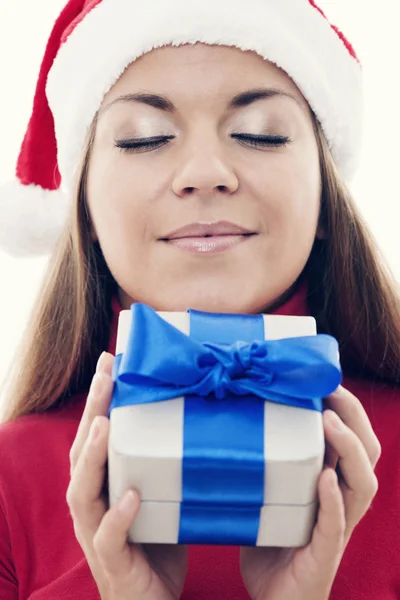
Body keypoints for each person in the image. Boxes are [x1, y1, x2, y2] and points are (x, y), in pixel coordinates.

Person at [0, 0, 399, 598]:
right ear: (82, 209)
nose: (206, 171)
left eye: (259, 134)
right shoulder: (8, 485)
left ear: (325, 197)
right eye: (144, 139)